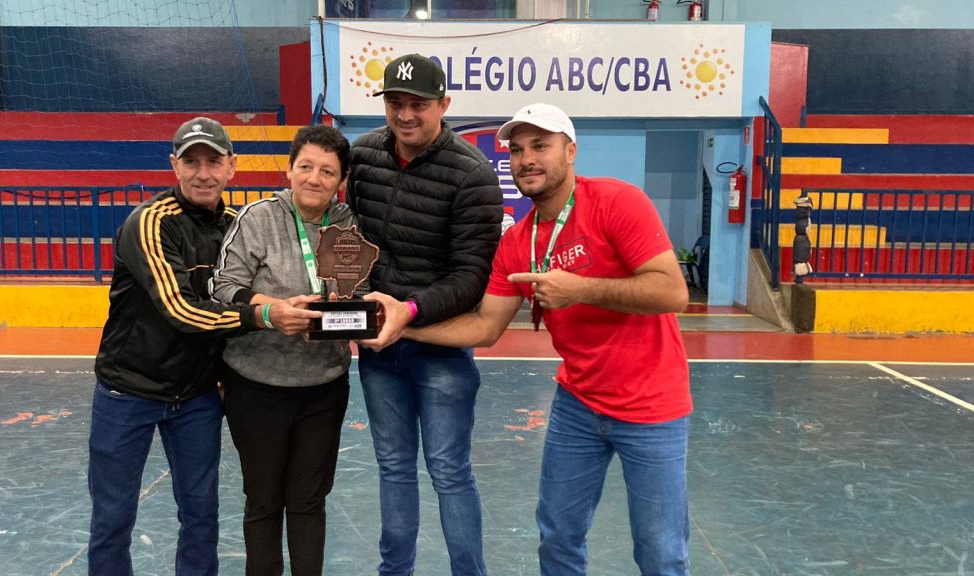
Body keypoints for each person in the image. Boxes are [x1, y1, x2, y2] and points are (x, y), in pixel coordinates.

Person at [376, 103, 693, 576]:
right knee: (559, 538)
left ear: (570, 151)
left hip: (652, 408)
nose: (526, 159)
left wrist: (579, 287)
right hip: (578, 405)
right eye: (517, 150)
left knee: (660, 551)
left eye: (540, 146)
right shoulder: (517, 242)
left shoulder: (616, 201)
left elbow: (673, 292)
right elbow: (484, 326)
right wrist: (404, 321)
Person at [89, 116, 307, 576]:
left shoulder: (237, 225)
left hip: (196, 397)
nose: (203, 173)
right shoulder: (149, 223)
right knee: (113, 518)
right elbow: (181, 310)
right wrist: (266, 315)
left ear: (233, 167)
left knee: (201, 516)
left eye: (213, 161)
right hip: (128, 390)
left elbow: (251, 289)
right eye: (192, 162)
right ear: (174, 165)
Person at [347, 53, 503, 576]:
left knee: (449, 471)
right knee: (393, 469)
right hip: (378, 349)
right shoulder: (363, 156)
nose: (406, 115)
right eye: (396, 103)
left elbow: (470, 278)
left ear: (444, 105)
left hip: (439, 349)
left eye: (419, 105)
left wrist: (406, 312)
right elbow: (348, 239)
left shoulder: (472, 174)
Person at [210, 125, 357, 576]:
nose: (315, 178)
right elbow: (223, 289)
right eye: (306, 167)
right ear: (290, 171)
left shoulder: (348, 225)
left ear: (340, 180)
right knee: (264, 500)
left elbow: (358, 295)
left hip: (323, 388)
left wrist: (329, 323)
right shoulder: (257, 219)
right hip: (256, 385)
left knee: (309, 501)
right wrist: (276, 311)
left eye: (327, 171)